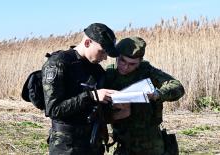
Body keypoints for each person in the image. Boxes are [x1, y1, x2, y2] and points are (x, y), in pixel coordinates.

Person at [42, 23, 119, 155]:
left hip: (92, 142)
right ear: (88, 42)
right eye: (102, 51)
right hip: (66, 145)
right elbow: (54, 109)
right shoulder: (58, 63)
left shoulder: (97, 70)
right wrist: (91, 96)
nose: (105, 57)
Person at [105, 37, 185, 155]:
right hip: (123, 140)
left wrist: (157, 94)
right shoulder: (109, 74)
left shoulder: (146, 71)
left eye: (132, 64)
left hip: (150, 140)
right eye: (122, 61)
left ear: (140, 61)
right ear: (117, 57)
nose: (126, 67)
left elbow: (177, 87)